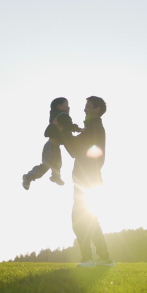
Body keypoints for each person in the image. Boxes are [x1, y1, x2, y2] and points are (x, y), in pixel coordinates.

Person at [55, 96, 115, 267]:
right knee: (89, 220)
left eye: (88, 106)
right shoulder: (91, 128)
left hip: (88, 180)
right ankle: (104, 258)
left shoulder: (94, 128)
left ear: (97, 110)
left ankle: (89, 259)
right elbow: (75, 148)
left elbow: (73, 149)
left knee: (80, 220)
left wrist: (62, 130)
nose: (84, 108)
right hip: (89, 179)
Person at [22, 97, 81, 190]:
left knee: (57, 163)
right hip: (51, 145)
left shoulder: (58, 116)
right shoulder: (63, 116)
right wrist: (79, 129)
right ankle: (29, 176)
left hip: (53, 146)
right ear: (59, 106)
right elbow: (69, 126)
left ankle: (55, 176)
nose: (69, 107)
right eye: (67, 105)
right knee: (47, 165)